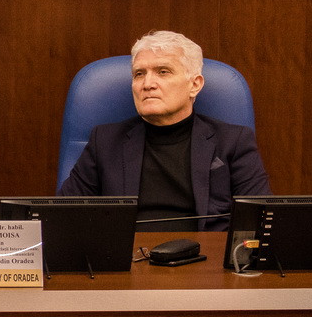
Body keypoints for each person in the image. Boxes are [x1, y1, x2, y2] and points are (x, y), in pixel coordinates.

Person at [57, 30, 270, 231]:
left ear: (195, 85)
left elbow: (260, 221)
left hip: (205, 254)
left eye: (163, 72)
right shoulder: (104, 141)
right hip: (127, 255)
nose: (147, 84)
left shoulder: (233, 141)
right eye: (139, 74)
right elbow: (63, 218)